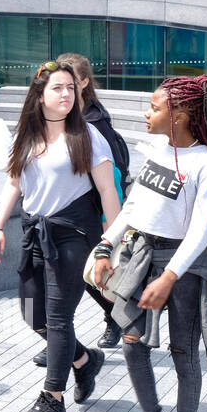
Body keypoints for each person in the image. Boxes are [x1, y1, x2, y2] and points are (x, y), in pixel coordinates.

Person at [93, 76, 207, 412]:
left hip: (184, 266)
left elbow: (201, 231)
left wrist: (169, 277)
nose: (146, 113)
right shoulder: (156, 150)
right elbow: (134, 205)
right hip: (142, 256)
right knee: (132, 343)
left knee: (183, 353)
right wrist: (106, 246)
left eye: (154, 108)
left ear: (180, 116)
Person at [0, 60, 120, 412]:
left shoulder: (88, 135)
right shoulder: (26, 136)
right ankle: (85, 360)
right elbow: (13, 183)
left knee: (60, 318)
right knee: (34, 315)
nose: (66, 94)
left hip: (74, 235)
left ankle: (52, 396)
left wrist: (110, 243)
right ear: (40, 96)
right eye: (57, 88)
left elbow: (108, 191)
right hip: (35, 233)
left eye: (70, 88)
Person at [56, 52, 129, 351]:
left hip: (93, 213)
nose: (62, 87)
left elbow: (114, 178)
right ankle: (56, 334)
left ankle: (116, 317)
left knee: (88, 272)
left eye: (69, 81)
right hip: (67, 211)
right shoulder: (63, 118)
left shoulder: (96, 124)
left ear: (84, 82)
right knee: (73, 275)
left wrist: (110, 226)